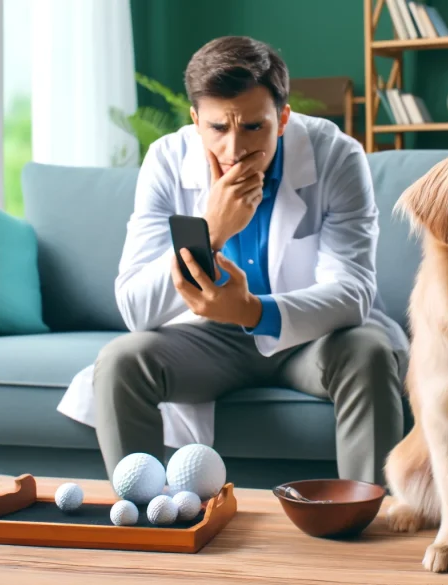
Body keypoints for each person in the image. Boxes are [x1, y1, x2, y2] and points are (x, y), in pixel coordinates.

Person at [63, 35, 408, 487]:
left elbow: (352, 294)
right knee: (122, 362)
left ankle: (369, 520)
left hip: (311, 340)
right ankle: (149, 519)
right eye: (218, 129)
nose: (234, 149)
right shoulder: (167, 160)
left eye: (253, 127)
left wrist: (251, 311)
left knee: (369, 351)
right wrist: (213, 228)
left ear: (282, 118)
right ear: (195, 120)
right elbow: (135, 308)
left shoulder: (337, 155)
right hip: (209, 341)